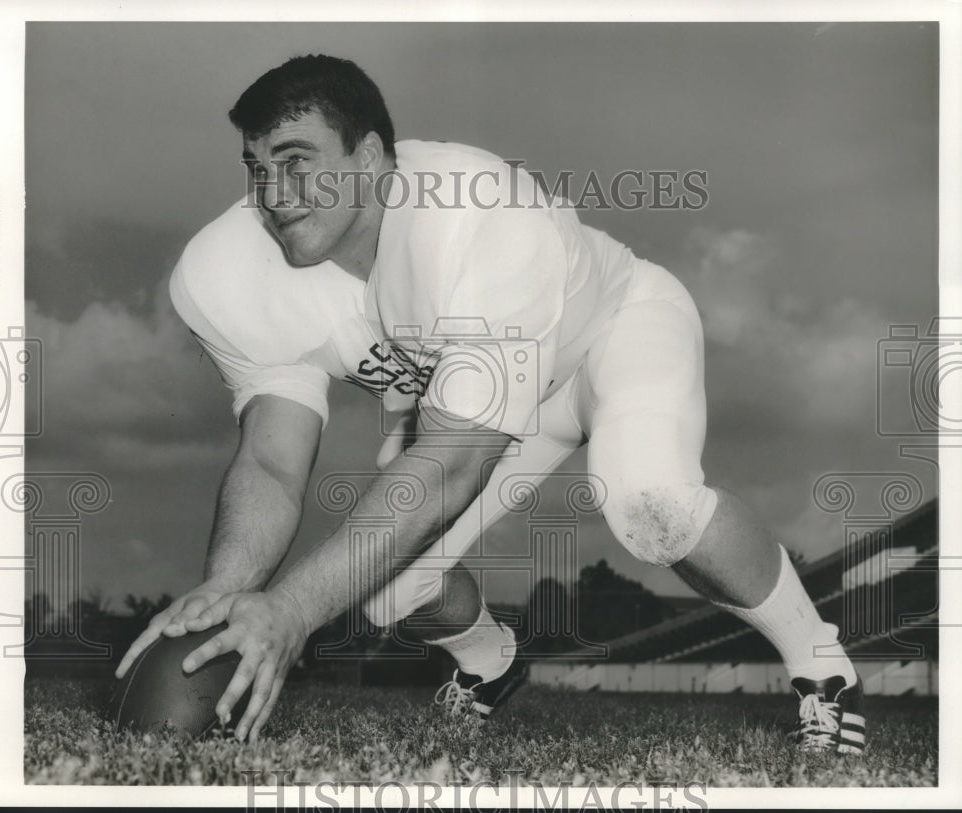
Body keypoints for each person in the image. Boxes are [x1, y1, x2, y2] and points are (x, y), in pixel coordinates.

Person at [115, 54, 864, 754]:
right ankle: (489, 662)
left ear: (370, 158)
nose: (275, 196)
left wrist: (290, 612)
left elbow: (447, 468)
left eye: (298, 163)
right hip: (481, 401)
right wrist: (229, 588)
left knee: (649, 498)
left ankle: (821, 661)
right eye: (257, 167)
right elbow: (273, 459)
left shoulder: (478, 218)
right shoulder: (227, 272)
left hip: (607, 332)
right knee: (389, 587)